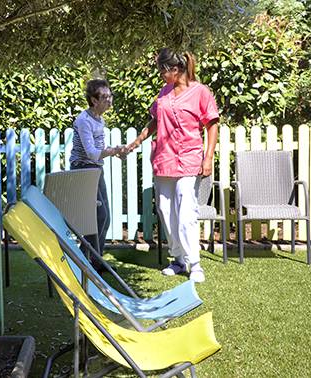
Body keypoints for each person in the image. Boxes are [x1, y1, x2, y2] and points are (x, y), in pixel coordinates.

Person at [123, 48, 219, 283]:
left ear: (175, 70)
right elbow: (155, 120)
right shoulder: (163, 93)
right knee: (166, 212)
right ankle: (178, 259)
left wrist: (208, 158)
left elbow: (212, 125)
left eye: (162, 71)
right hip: (163, 160)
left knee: (186, 212)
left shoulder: (201, 92)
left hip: (188, 158)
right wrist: (138, 140)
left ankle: (194, 263)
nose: (160, 75)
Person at [70, 79, 123, 272]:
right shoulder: (83, 120)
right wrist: (113, 150)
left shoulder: (99, 119)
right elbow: (91, 152)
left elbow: (98, 152)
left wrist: (116, 152)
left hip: (95, 169)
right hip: (82, 169)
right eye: (105, 97)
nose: (109, 100)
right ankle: (89, 260)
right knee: (98, 216)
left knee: (104, 217)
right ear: (93, 100)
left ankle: (91, 259)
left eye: (110, 96)